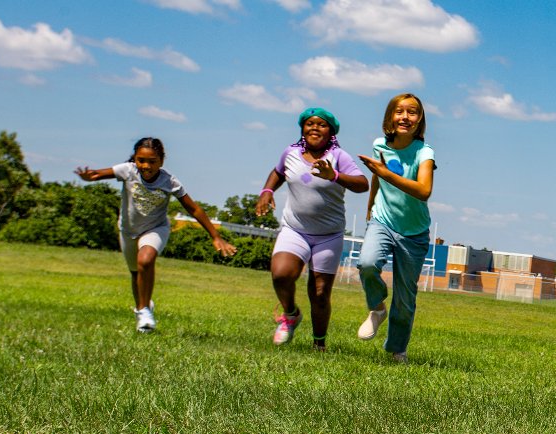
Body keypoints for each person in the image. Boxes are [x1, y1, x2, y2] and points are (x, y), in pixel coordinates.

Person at [74, 137, 237, 332]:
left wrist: (215, 236)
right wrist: (88, 177)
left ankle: (144, 310)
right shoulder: (128, 170)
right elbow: (97, 174)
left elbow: (193, 209)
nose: (146, 166)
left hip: (155, 228)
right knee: (135, 273)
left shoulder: (169, 181)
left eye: (152, 161)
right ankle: (142, 309)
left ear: (162, 160)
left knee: (146, 259)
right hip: (128, 230)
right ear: (135, 159)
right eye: (141, 160)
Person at [254, 108, 368, 351]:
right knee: (281, 273)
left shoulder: (339, 157)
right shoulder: (291, 153)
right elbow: (278, 171)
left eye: (321, 124)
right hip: (295, 229)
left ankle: (319, 343)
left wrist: (334, 175)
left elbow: (362, 184)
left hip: (328, 235)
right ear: (302, 128)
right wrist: (267, 191)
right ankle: (290, 314)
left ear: (331, 131)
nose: (315, 127)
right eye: (309, 123)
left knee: (319, 292)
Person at [356, 93, 436, 363]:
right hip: (382, 219)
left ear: (420, 119)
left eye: (412, 112)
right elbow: (377, 180)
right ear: (390, 116)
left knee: (405, 297)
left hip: (414, 232)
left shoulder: (424, 153)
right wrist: (369, 209)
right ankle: (377, 309)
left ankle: (397, 350)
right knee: (367, 263)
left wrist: (387, 173)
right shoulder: (380, 144)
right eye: (399, 111)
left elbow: (424, 191)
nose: (405, 117)